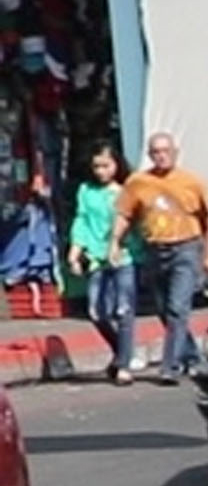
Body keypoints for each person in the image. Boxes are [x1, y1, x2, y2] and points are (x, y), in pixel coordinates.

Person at [106, 132, 208, 384]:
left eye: (165, 151)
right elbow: (124, 213)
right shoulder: (138, 182)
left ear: (175, 153)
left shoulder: (192, 182)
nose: (161, 156)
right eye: (156, 152)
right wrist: (114, 242)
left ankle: (171, 366)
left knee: (179, 307)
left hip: (186, 248)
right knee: (164, 308)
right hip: (155, 250)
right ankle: (190, 354)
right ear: (149, 155)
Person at [64, 145, 136, 385]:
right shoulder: (86, 191)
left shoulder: (126, 191)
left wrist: (120, 242)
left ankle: (124, 365)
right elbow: (82, 220)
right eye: (97, 166)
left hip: (123, 256)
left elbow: (131, 222)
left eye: (106, 166)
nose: (101, 171)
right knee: (96, 311)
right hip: (96, 258)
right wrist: (76, 251)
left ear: (117, 165)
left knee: (123, 310)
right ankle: (120, 351)